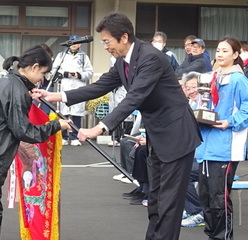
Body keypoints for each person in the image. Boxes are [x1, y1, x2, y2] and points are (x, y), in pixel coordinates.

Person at [32, 12, 202, 240]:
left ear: (123, 37)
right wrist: (56, 96)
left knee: (169, 204)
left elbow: (135, 97)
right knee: (155, 199)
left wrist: (99, 127)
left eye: (106, 41)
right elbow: (99, 86)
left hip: (177, 135)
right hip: (158, 136)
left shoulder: (150, 57)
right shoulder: (124, 61)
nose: (104, 46)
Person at [0, 45, 72, 240]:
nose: (42, 80)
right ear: (34, 67)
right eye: (42, 73)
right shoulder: (17, 90)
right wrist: (56, 125)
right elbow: (24, 131)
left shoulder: (6, 82)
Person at [196, 35, 248, 239]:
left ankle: (222, 237)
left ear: (236, 55)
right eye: (218, 49)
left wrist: (230, 121)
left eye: (225, 50)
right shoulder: (212, 76)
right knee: (206, 198)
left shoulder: (239, 79)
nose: (220, 53)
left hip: (226, 146)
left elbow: (246, 108)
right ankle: (212, 235)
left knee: (219, 199)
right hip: (206, 145)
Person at [52, 35, 93, 146]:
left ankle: (75, 137)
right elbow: (54, 70)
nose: (74, 45)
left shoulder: (84, 57)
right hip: (65, 85)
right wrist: (65, 74)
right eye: (72, 42)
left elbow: (90, 72)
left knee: (77, 113)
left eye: (77, 43)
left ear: (80, 44)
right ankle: (64, 136)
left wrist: (79, 75)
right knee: (64, 112)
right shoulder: (62, 55)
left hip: (78, 85)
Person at [180, 72, 205, 227]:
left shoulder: (207, 104)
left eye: (194, 87)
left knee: (184, 173)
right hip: (193, 154)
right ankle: (190, 208)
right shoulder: (189, 105)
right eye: (188, 88)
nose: (191, 91)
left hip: (207, 156)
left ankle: (198, 211)